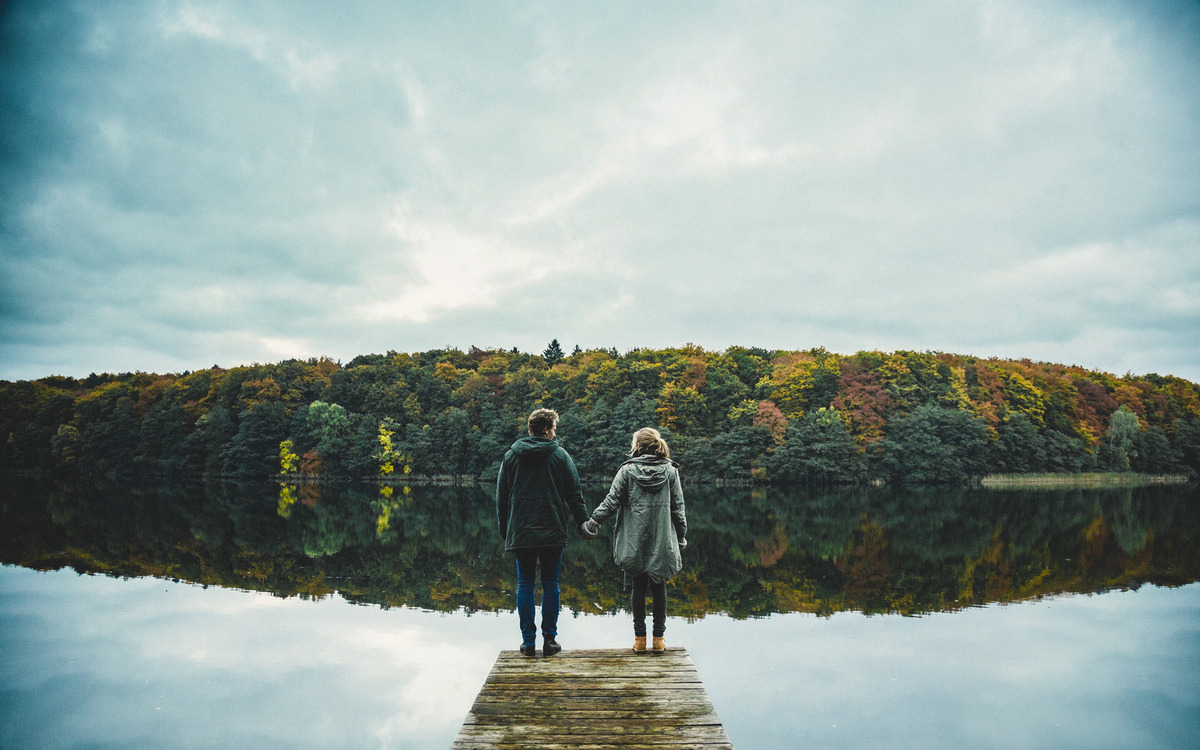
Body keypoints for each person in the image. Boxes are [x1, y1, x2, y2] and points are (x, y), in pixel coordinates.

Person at [581, 427, 687, 654]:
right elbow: (678, 509)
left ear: (637, 446)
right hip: (662, 538)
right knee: (659, 586)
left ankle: (639, 640)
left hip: (633, 539)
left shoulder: (627, 471)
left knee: (638, 585)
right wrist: (681, 535)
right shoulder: (670, 471)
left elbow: (611, 503)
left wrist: (592, 523)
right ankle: (659, 640)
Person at [496, 408, 590, 657]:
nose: (555, 433)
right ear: (547, 429)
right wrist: (583, 524)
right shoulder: (560, 455)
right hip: (552, 530)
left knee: (524, 584)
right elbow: (574, 494)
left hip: (521, 531)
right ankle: (549, 641)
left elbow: (501, 497)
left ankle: (528, 643)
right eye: (554, 428)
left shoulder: (511, 456)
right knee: (551, 584)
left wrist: (505, 529)